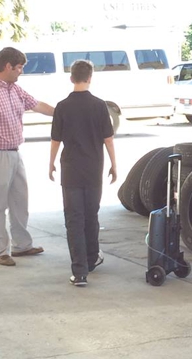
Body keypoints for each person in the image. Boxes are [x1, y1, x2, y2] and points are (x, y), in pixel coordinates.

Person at [0, 46, 55, 266]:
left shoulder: (15, 89)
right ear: (7, 66)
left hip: (15, 153)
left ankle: (22, 245)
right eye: (19, 68)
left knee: (19, 201)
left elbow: (37, 104)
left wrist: (64, 111)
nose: (20, 72)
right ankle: (0, 251)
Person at [49, 59, 117, 287]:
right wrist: (114, 165)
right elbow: (108, 139)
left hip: (70, 171)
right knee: (91, 215)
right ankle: (91, 258)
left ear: (71, 78)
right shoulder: (99, 106)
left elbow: (55, 140)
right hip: (93, 169)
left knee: (74, 219)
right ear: (90, 77)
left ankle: (79, 273)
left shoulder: (62, 106)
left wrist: (50, 163)